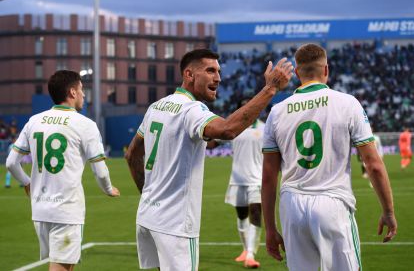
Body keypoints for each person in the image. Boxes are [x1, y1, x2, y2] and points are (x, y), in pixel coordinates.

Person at [125, 48, 293, 270]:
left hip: (148, 216)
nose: (219, 77)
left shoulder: (156, 107)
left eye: (219, 71)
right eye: (210, 70)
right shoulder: (191, 109)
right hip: (175, 224)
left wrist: (147, 193)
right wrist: (270, 88)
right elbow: (227, 130)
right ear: (189, 75)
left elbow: (132, 154)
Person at [262, 44, 397, 271]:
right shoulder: (347, 103)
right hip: (332, 203)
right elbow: (373, 165)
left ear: (297, 73)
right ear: (326, 70)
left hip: (292, 206)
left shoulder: (277, 111)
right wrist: (388, 212)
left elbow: (267, 176)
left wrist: (269, 228)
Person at [6, 70, 120, 271]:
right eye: (82, 90)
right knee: (60, 268)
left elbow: (11, 163)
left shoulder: (34, 121)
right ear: (72, 92)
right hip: (66, 211)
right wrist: (108, 189)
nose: (84, 95)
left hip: (40, 210)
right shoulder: (86, 125)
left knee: (65, 267)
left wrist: (26, 183)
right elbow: (100, 171)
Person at [224, 98, 264, 268]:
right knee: (241, 216)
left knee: (255, 213)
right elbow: (212, 142)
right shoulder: (233, 129)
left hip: (257, 179)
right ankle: (245, 249)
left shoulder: (264, 129)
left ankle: (250, 254)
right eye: (245, 108)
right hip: (237, 179)